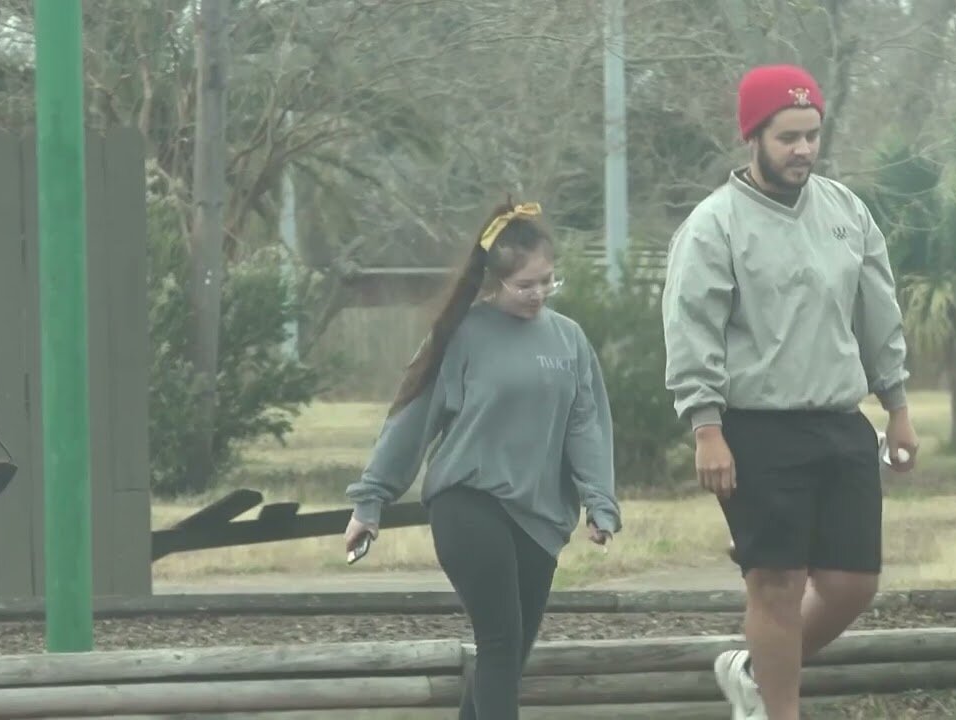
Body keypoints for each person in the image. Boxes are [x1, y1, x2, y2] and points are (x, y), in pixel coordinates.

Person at [660, 64, 920, 720]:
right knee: (775, 585)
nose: (804, 150)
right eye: (788, 137)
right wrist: (706, 427)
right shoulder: (714, 225)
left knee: (852, 584)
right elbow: (693, 331)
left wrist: (898, 407)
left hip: (839, 420)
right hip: (755, 427)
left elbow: (878, 313)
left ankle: (751, 669)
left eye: (812, 135)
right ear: (754, 137)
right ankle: (779, 711)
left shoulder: (845, 211)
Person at [343, 199, 622, 720]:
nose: (538, 293)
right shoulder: (464, 335)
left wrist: (599, 501)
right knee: (500, 641)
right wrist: (371, 501)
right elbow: (411, 420)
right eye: (526, 285)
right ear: (496, 280)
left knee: (510, 655)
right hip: (468, 502)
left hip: (540, 518)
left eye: (548, 281)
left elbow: (586, 424)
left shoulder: (569, 340)